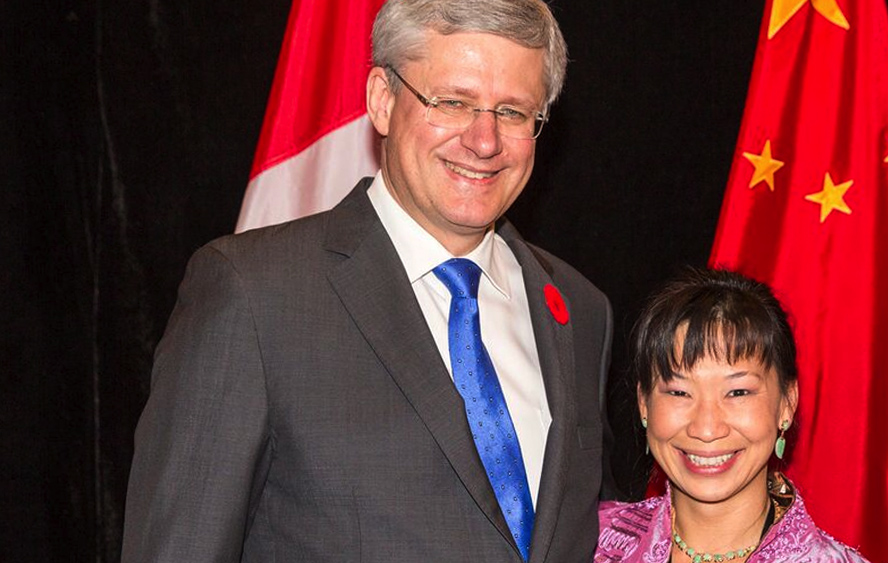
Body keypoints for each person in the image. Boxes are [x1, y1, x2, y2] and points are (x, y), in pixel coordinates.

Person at [122, 1, 613, 561]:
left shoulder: (579, 310)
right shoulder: (255, 294)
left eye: (513, 112)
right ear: (382, 99)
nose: (484, 141)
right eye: (452, 102)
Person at [594, 269, 869, 563]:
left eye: (738, 393)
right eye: (679, 392)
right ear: (644, 403)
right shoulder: (588, 543)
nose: (707, 428)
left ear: (787, 403)